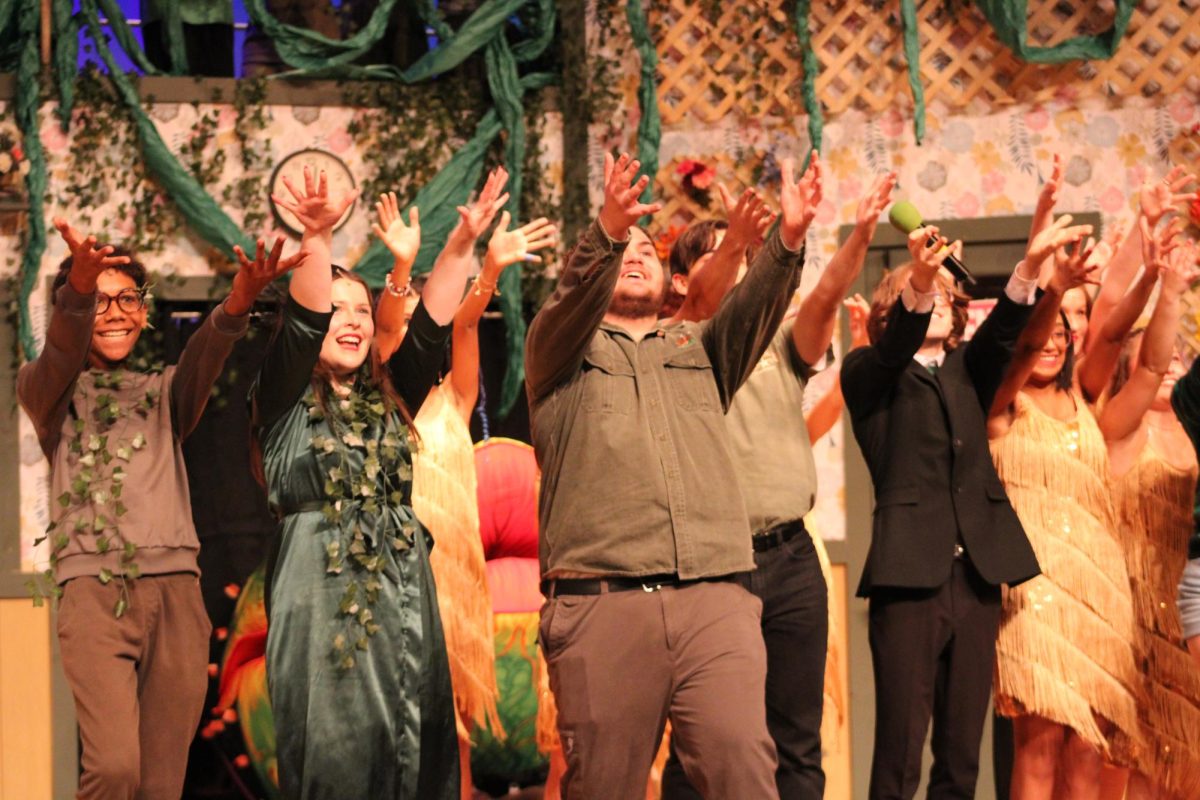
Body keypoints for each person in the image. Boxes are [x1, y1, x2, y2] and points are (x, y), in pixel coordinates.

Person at [525, 150, 817, 799]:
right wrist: (606, 228)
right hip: (604, 604)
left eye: (646, 252)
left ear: (670, 284)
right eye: (620, 252)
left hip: (716, 600)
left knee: (746, 775)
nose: (635, 255)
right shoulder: (558, 355)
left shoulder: (700, 348)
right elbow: (571, 298)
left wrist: (787, 238)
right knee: (603, 787)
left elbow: (756, 306)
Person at [18, 219, 299, 798]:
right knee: (115, 768)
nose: (115, 311)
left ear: (145, 312)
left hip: (176, 594)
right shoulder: (47, 393)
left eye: (127, 299)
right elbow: (62, 350)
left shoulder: (165, 392)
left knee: (160, 782)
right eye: (99, 302)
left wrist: (240, 299)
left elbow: (208, 351)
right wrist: (78, 288)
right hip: (95, 595)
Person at [255, 166, 490, 799]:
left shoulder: (389, 398)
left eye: (362, 310)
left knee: (415, 745)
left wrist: (461, 246)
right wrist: (317, 235)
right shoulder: (281, 397)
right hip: (319, 587)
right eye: (338, 312)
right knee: (336, 752)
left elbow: (433, 324)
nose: (354, 321)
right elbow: (303, 318)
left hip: (402, 588)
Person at [660, 171, 896, 800]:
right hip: (714, 565)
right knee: (702, 745)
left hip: (792, 559)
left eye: (743, 253)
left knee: (796, 744)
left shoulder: (780, 344)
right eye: (721, 253)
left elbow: (822, 296)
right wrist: (749, 241)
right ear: (681, 282)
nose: (738, 263)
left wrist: (860, 233)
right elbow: (710, 303)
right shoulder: (674, 346)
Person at [841, 205, 1071, 797]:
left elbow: (1004, 334)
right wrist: (920, 276)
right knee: (898, 752)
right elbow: (893, 352)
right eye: (925, 290)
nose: (941, 294)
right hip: (908, 579)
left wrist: (1030, 266)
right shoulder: (868, 370)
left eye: (947, 290)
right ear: (891, 314)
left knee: (961, 756)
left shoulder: (968, 372)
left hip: (975, 579)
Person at [371, 184, 558, 798]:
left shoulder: (457, 399)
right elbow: (392, 329)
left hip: (458, 570)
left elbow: (468, 321)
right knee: (413, 706)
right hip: (405, 565)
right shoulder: (387, 403)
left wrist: (490, 271)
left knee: (461, 705)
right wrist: (404, 266)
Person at [986, 213, 1154, 799]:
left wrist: (1151, 269)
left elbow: (1111, 329)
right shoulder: (1002, 407)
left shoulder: (1084, 396)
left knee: (1087, 751)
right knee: (1040, 748)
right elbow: (1027, 340)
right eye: (1046, 334)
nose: (1054, 342)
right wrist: (1054, 286)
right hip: (1035, 596)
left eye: (1064, 334)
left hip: (1098, 590)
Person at [1103, 236, 1200, 800]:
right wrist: (1170, 293)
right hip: (1135, 611)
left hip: (1188, 599)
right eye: (1160, 359)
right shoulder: (1120, 427)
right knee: (1142, 758)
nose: (1169, 368)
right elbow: (1151, 365)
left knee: (1189, 756)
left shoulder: (1193, 426)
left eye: (1177, 360)